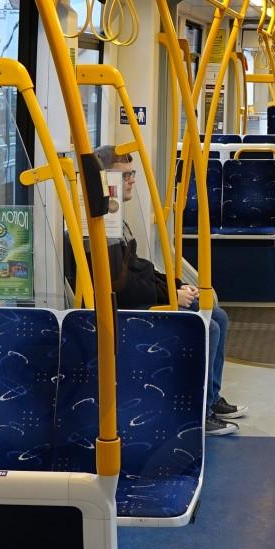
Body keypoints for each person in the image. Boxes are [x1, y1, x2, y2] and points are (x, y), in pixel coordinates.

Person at [93, 146, 242, 436]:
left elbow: (140, 269)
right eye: (125, 176)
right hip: (125, 310)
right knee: (208, 327)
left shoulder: (117, 221)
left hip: (140, 298)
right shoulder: (101, 228)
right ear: (106, 180)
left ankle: (211, 397)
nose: (132, 181)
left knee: (219, 317)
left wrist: (175, 286)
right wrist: (170, 297)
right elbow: (122, 288)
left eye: (132, 174)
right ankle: (200, 413)